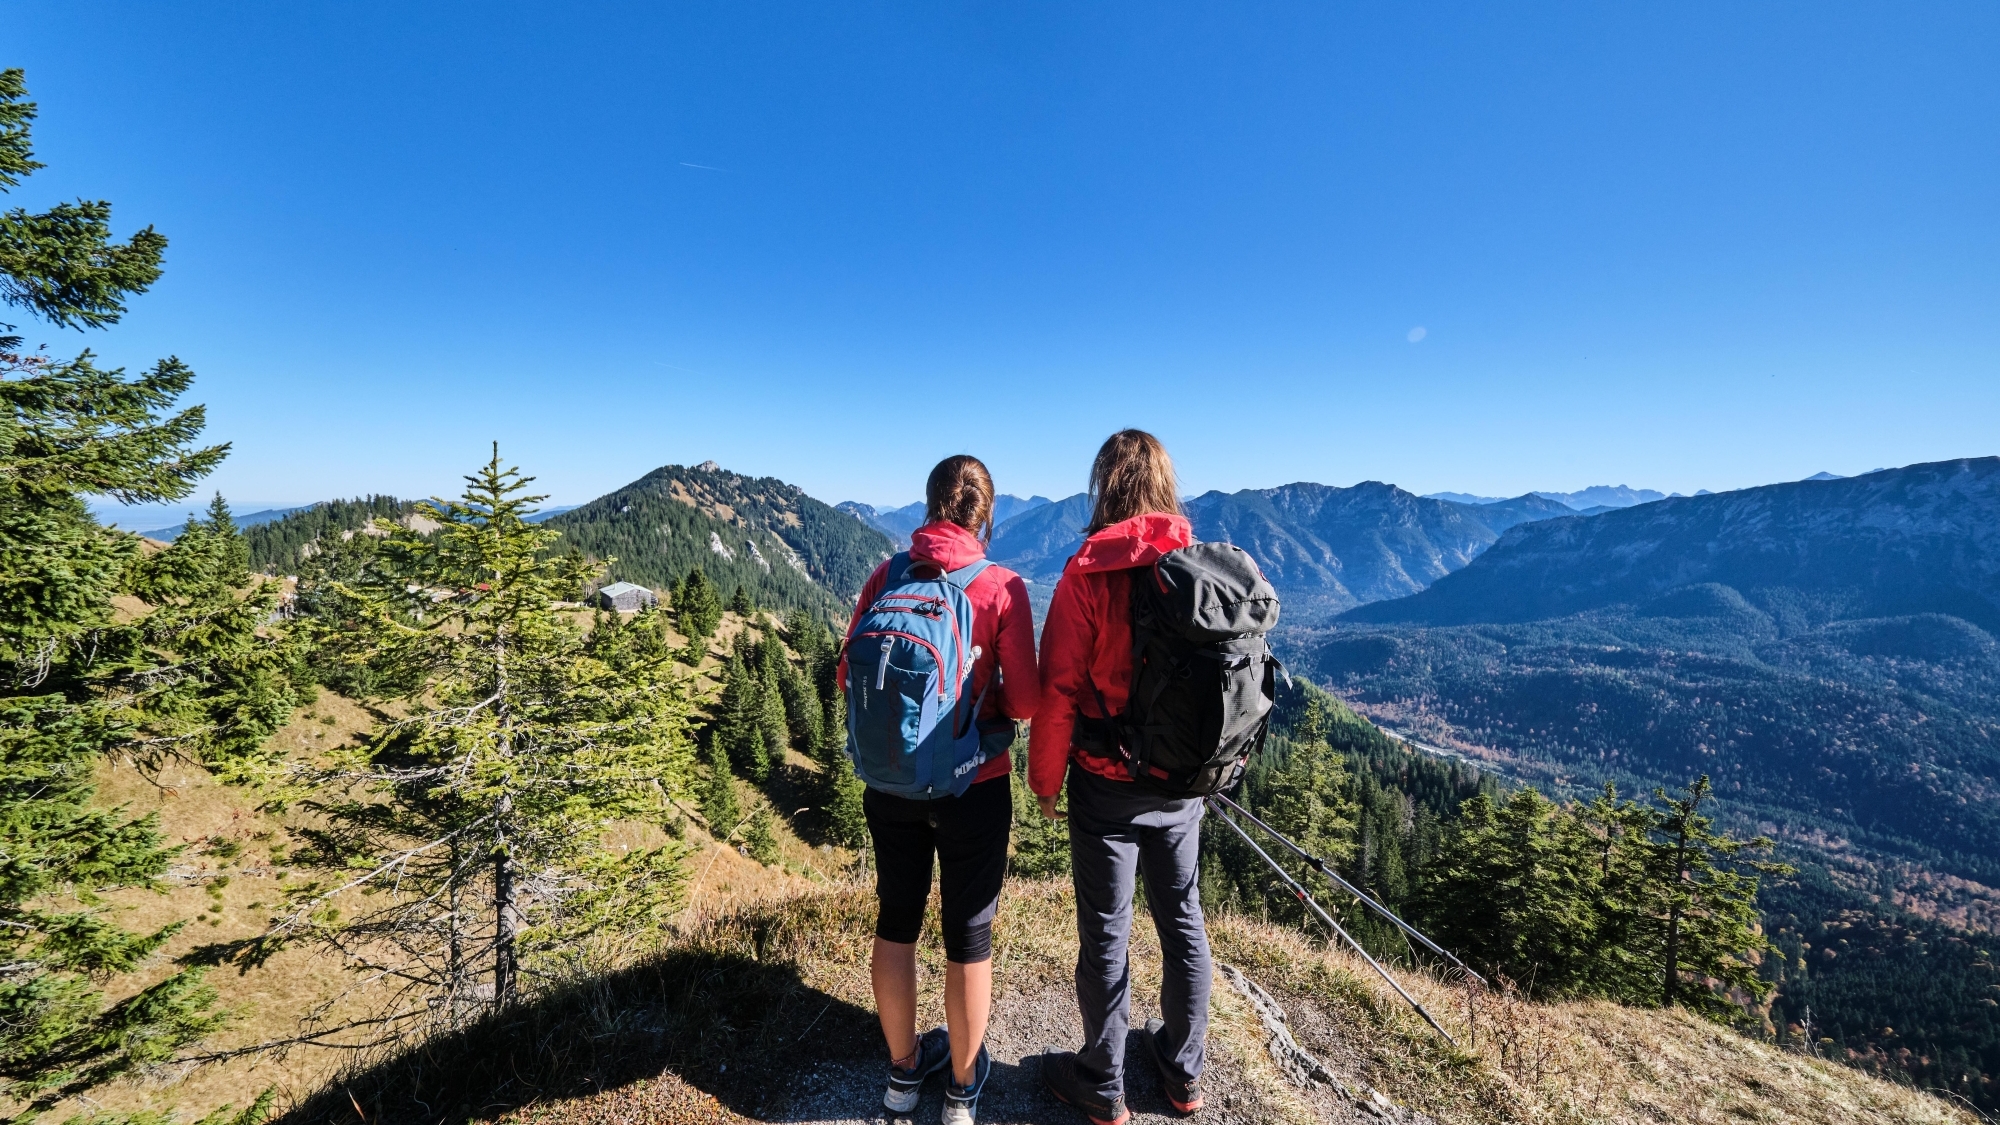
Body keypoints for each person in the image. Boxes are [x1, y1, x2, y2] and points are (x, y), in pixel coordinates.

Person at [840, 455, 1040, 1125]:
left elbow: (847, 674)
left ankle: (903, 1074)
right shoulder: (1002, 587)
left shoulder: (887, 575)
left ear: (927, 506)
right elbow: (1027, 701)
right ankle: (961, 1086)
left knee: (896, 921)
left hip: (890, 781)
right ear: (988, 516)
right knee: (969, 937)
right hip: (972, 786)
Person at [1032, 430, 1211, 1125]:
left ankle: (1103, 1083)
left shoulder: (1087, 574)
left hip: (1105, 785)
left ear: (1103, 485)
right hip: (1182, 786)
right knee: (1184, 923)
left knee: (1107, 933)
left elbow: (1058, 692)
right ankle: (1182, 1073)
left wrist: (1045, 782)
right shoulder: (1195, 566)